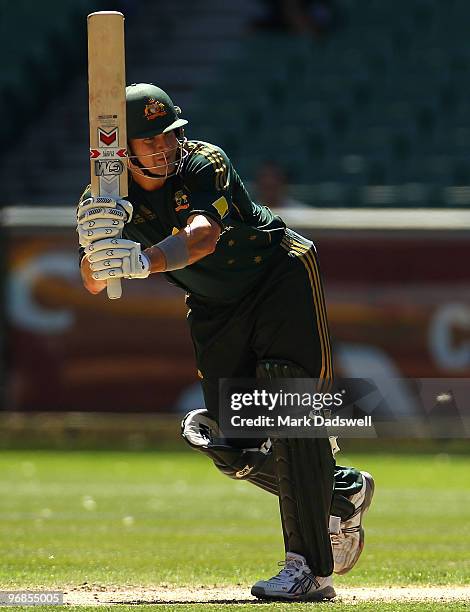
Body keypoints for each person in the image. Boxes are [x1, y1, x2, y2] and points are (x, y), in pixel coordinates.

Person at [76, 83, 374, 601]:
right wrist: (96, 249)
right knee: (227, 443)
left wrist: (144, 260)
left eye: (170, 135)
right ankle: (341, 492)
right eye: (152, 140)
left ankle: (308, 571)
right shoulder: (107, 193)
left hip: (277, 280)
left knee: (288, 412)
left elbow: (202, 233)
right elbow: (92, 280)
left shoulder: (203, 162)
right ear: (121, 146)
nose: (166, 147)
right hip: (216, 309)